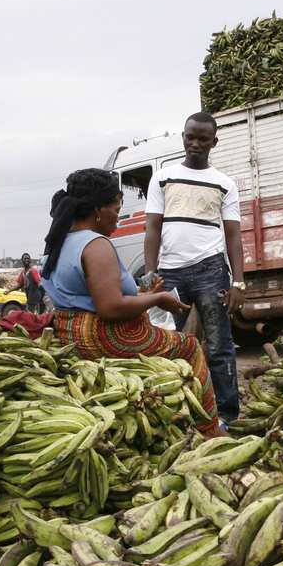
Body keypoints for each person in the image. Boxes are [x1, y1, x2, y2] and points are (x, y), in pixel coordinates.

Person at [41, 168, 222, 436]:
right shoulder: (96, 245)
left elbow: (87, 296)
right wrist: (157, 299)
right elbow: (109, 307)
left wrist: (143, 295)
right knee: (190, 346)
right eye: (116, 208)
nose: (118, 216)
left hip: (72, 333)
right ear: (97, 210)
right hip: (109, 336)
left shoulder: (59, 243)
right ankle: (210, 429)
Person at [143, 112, 245, 424]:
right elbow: (152, 229)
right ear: (183, 137)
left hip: (211, 271)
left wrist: (238, 282)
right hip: (170, 273)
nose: (195, 143)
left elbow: (233, 235)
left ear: (214, 142)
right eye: (190, 136)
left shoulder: (224, 183)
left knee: (218, 346)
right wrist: (151, 274)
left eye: (203, 138)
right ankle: (180, 413)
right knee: (172, 345)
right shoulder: (162, 177)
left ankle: (227, 415)